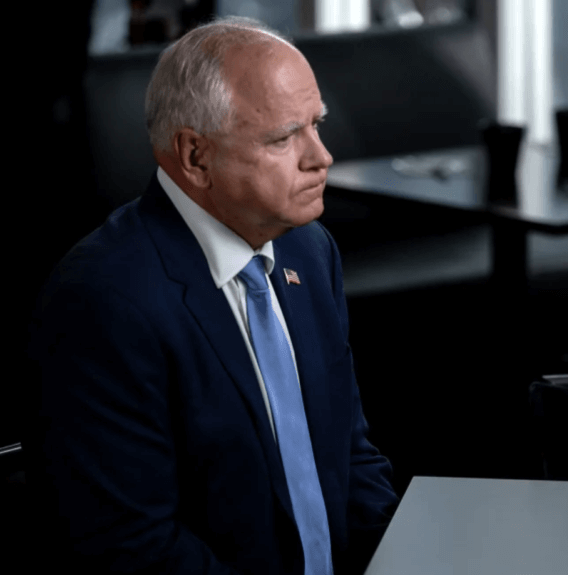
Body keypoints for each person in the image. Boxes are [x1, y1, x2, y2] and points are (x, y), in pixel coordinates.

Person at [27, 16, 397, 574]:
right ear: (195, 156)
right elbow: (132, 546)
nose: (321, 157)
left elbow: (350, 457)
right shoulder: (102, 300)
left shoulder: (309, 250)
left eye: (315, 126)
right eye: (283, 138)